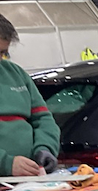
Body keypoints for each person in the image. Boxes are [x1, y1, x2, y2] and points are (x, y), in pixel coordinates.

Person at [0, 13, 60, 177]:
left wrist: (45, 148)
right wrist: (6, 163)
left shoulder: (16, 73)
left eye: (3, 53)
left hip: (27, 180)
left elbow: (43, 119)